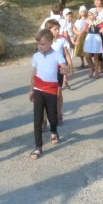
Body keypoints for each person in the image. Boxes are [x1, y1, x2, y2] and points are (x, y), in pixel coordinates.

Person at [28, 29, 70, 159]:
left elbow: (64, 65)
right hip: (39, 88)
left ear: (51, 42)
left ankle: (54, 130)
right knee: (38, 118)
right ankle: (38, 146)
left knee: (53, 116)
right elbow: (34, 73)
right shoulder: (36, 56)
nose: (39, 46)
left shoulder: (57, 54)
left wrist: (64, 68)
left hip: (51, 90)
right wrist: (31, 89)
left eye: (42, 44)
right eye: (38, 44)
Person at [44, 19, 73, 125]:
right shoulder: (44, 41)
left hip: (58, 70)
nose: (58, 31)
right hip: (47, 71)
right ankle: (45, 117)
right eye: (55, 29)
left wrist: (70, 67)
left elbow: (66, 54)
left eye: (58, 29)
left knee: (58, 93)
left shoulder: (62, 40)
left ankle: (59, 114)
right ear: (48, 30)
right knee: (47, 94)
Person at [83, 8, 103, 78]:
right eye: (89, 15)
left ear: (95, 15)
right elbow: (83, 31)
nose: (90, 17)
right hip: (89, 39)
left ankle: (96, 72)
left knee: (96, 56)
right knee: (87, 55)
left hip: (96, 39)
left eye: (91, 15)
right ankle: (91, 68)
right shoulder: (88, 22)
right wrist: (77, 38)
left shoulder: (99, 23)